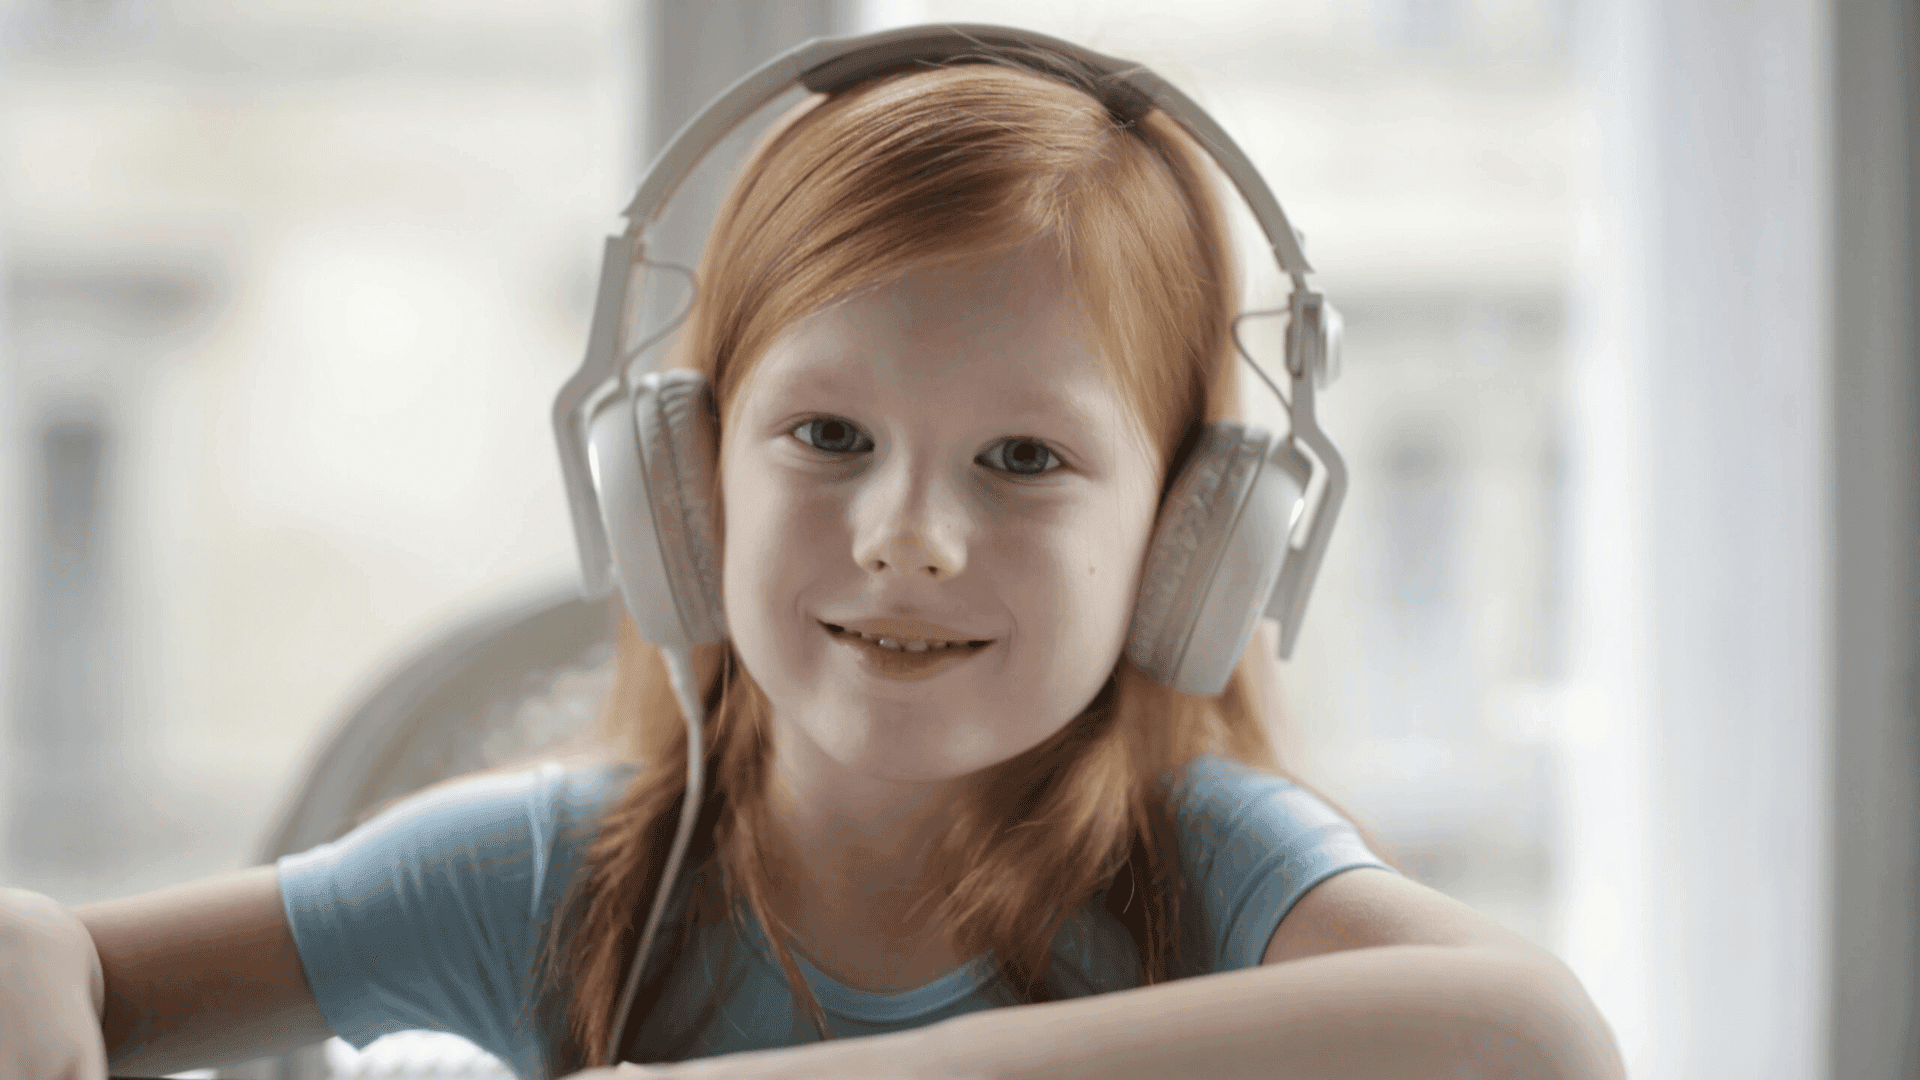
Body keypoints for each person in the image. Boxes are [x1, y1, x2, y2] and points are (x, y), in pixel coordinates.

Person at [0, 47, 1624, 1080]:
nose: (907, 534)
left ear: (1191, 538)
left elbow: (1529, 1040)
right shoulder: (553, 883)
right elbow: (66, 963)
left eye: (1025, 460)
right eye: (830, 437)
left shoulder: (1207, 869)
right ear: (684, 485)